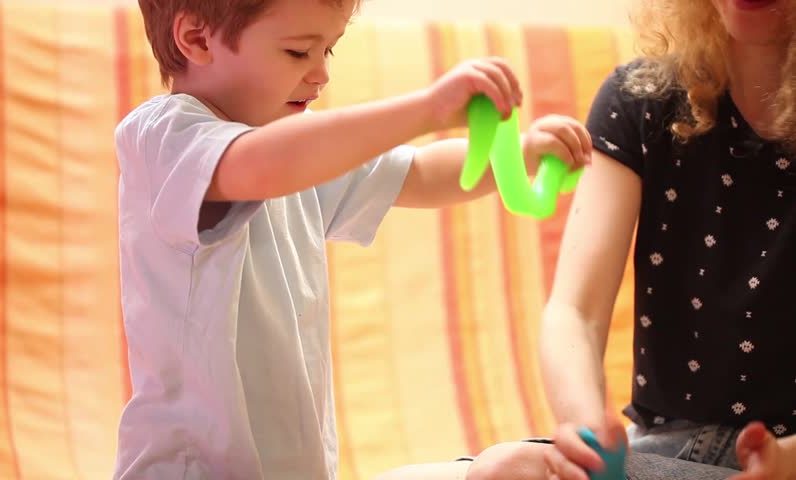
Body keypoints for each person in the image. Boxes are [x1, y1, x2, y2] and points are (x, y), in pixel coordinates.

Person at [114, 0, 592, 478]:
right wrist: (426, 109)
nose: (321, 73)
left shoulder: (297, 146)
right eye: (299, 52)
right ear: (196, 40)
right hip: (187, 471)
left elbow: (420, 174)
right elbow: (258, 166)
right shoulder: (162, 136)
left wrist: (523, 153)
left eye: (330, 50)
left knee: (511, 469)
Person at [378, 0, 796, 479]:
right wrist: (587, 434)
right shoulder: (641, 98)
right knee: (507, 469)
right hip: (669, 449)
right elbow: (575, 311)